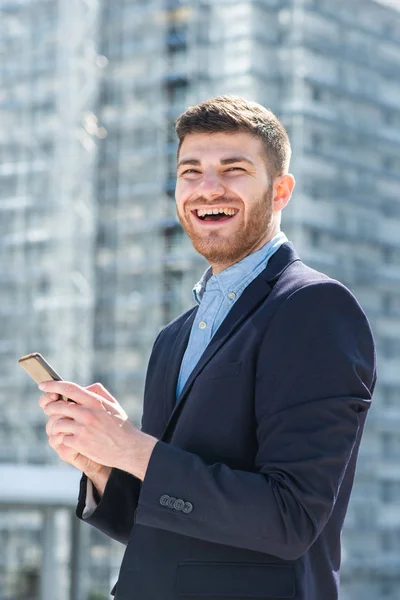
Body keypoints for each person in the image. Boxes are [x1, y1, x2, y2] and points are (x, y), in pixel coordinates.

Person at [39, 96, 376, 600]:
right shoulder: (173, 337)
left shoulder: (314, 308)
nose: (207, 188)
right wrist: (106, 465)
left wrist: (135, 448)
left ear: (280, 191)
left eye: (233, 169)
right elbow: (174, 524)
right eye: (190, 171)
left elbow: (290, 519)